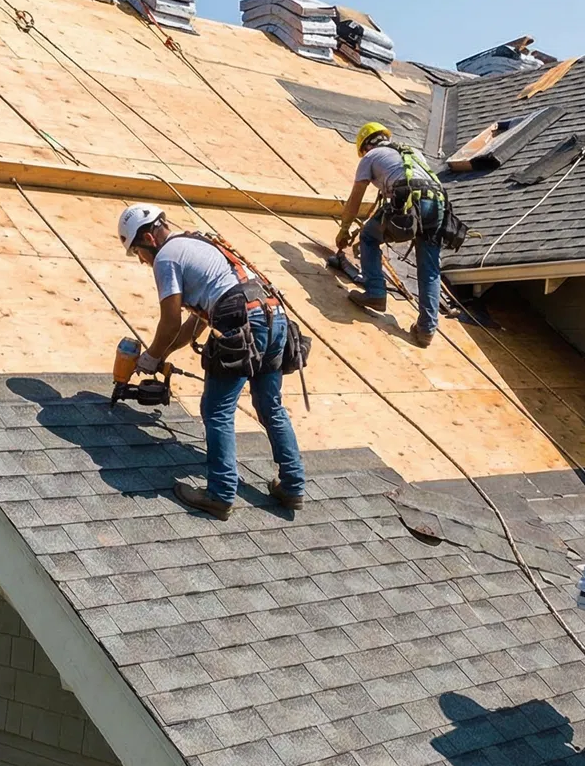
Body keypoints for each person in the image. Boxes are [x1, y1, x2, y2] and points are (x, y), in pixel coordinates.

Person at [117, 203, 305, 520]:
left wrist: (150, 357)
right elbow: (196, 324)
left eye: (137, 251)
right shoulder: (196, 242)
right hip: (275, 318)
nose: (140, 260)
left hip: (242, 321)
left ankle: (220, 495)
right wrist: (162, 355)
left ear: (148, 238)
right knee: (269, 405)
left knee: (216, 410)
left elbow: (170, 322)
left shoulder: (166, 257)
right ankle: (293, 486)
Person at [333, 121, 446, 348]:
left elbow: (356, 198)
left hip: (409, 202)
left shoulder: (370, 157)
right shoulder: (412, 153)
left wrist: (344, 229)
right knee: (429, 268)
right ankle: (426, 329)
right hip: (438, 205)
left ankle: (375, 292)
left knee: (368, 237)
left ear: (365, 147)